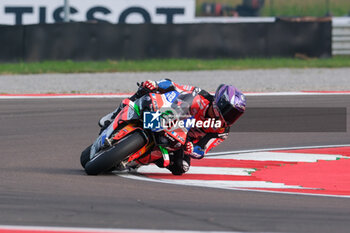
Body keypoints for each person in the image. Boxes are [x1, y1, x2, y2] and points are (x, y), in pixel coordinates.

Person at [99, 79, 246, 175]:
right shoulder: (199, 95)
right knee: (145, 90)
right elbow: (173, 85)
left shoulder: (222, 131)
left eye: (235, 115)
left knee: (181, 167)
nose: (230, 117)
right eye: (230, 112)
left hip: (182, 140)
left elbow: (203, 149)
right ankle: (114, 115)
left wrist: (191, 149)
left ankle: (139, 159)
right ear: (220, 102)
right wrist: (156, 84)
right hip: (170, 115)